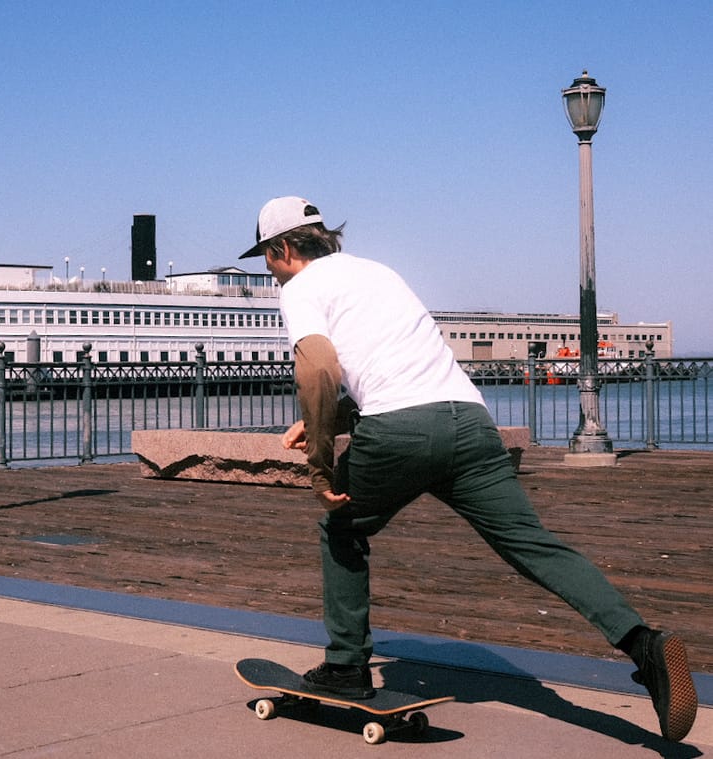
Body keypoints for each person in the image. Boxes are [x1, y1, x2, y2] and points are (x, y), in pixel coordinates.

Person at [239, 195, 698, 742]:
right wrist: (329, 418)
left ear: (282, 248)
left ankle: (344, 666)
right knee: (531, 543)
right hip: (470, 422)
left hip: (399, 432)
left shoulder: (301, 288)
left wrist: (319, 466)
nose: (269, 270)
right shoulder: (378, 273)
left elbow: (317, 368)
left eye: (266, 258)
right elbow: (394, 365)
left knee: (341, 529)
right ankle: (642, 643)